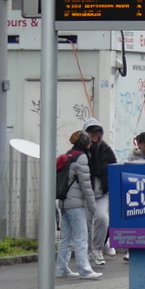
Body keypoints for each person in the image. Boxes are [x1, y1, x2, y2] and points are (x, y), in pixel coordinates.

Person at [56, 131, 101, 279]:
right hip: (76, 203)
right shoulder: (81, 157)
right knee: (81, 236)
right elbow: (85, 184)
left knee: (66, 238)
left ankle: (62, 268)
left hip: (64, 201)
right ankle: (85, 270)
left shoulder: (68, 154)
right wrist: (92, 205)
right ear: (85, 143)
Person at [83, 117, 117, 265]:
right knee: (86, 224)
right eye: (91, 132)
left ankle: (97, 249)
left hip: (102, 192)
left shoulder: (105, 150)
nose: (94, 135)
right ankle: (88, 252)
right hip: (85, 193)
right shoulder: (82, 151)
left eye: (97, 132)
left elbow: (114, 168)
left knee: (102, 219)